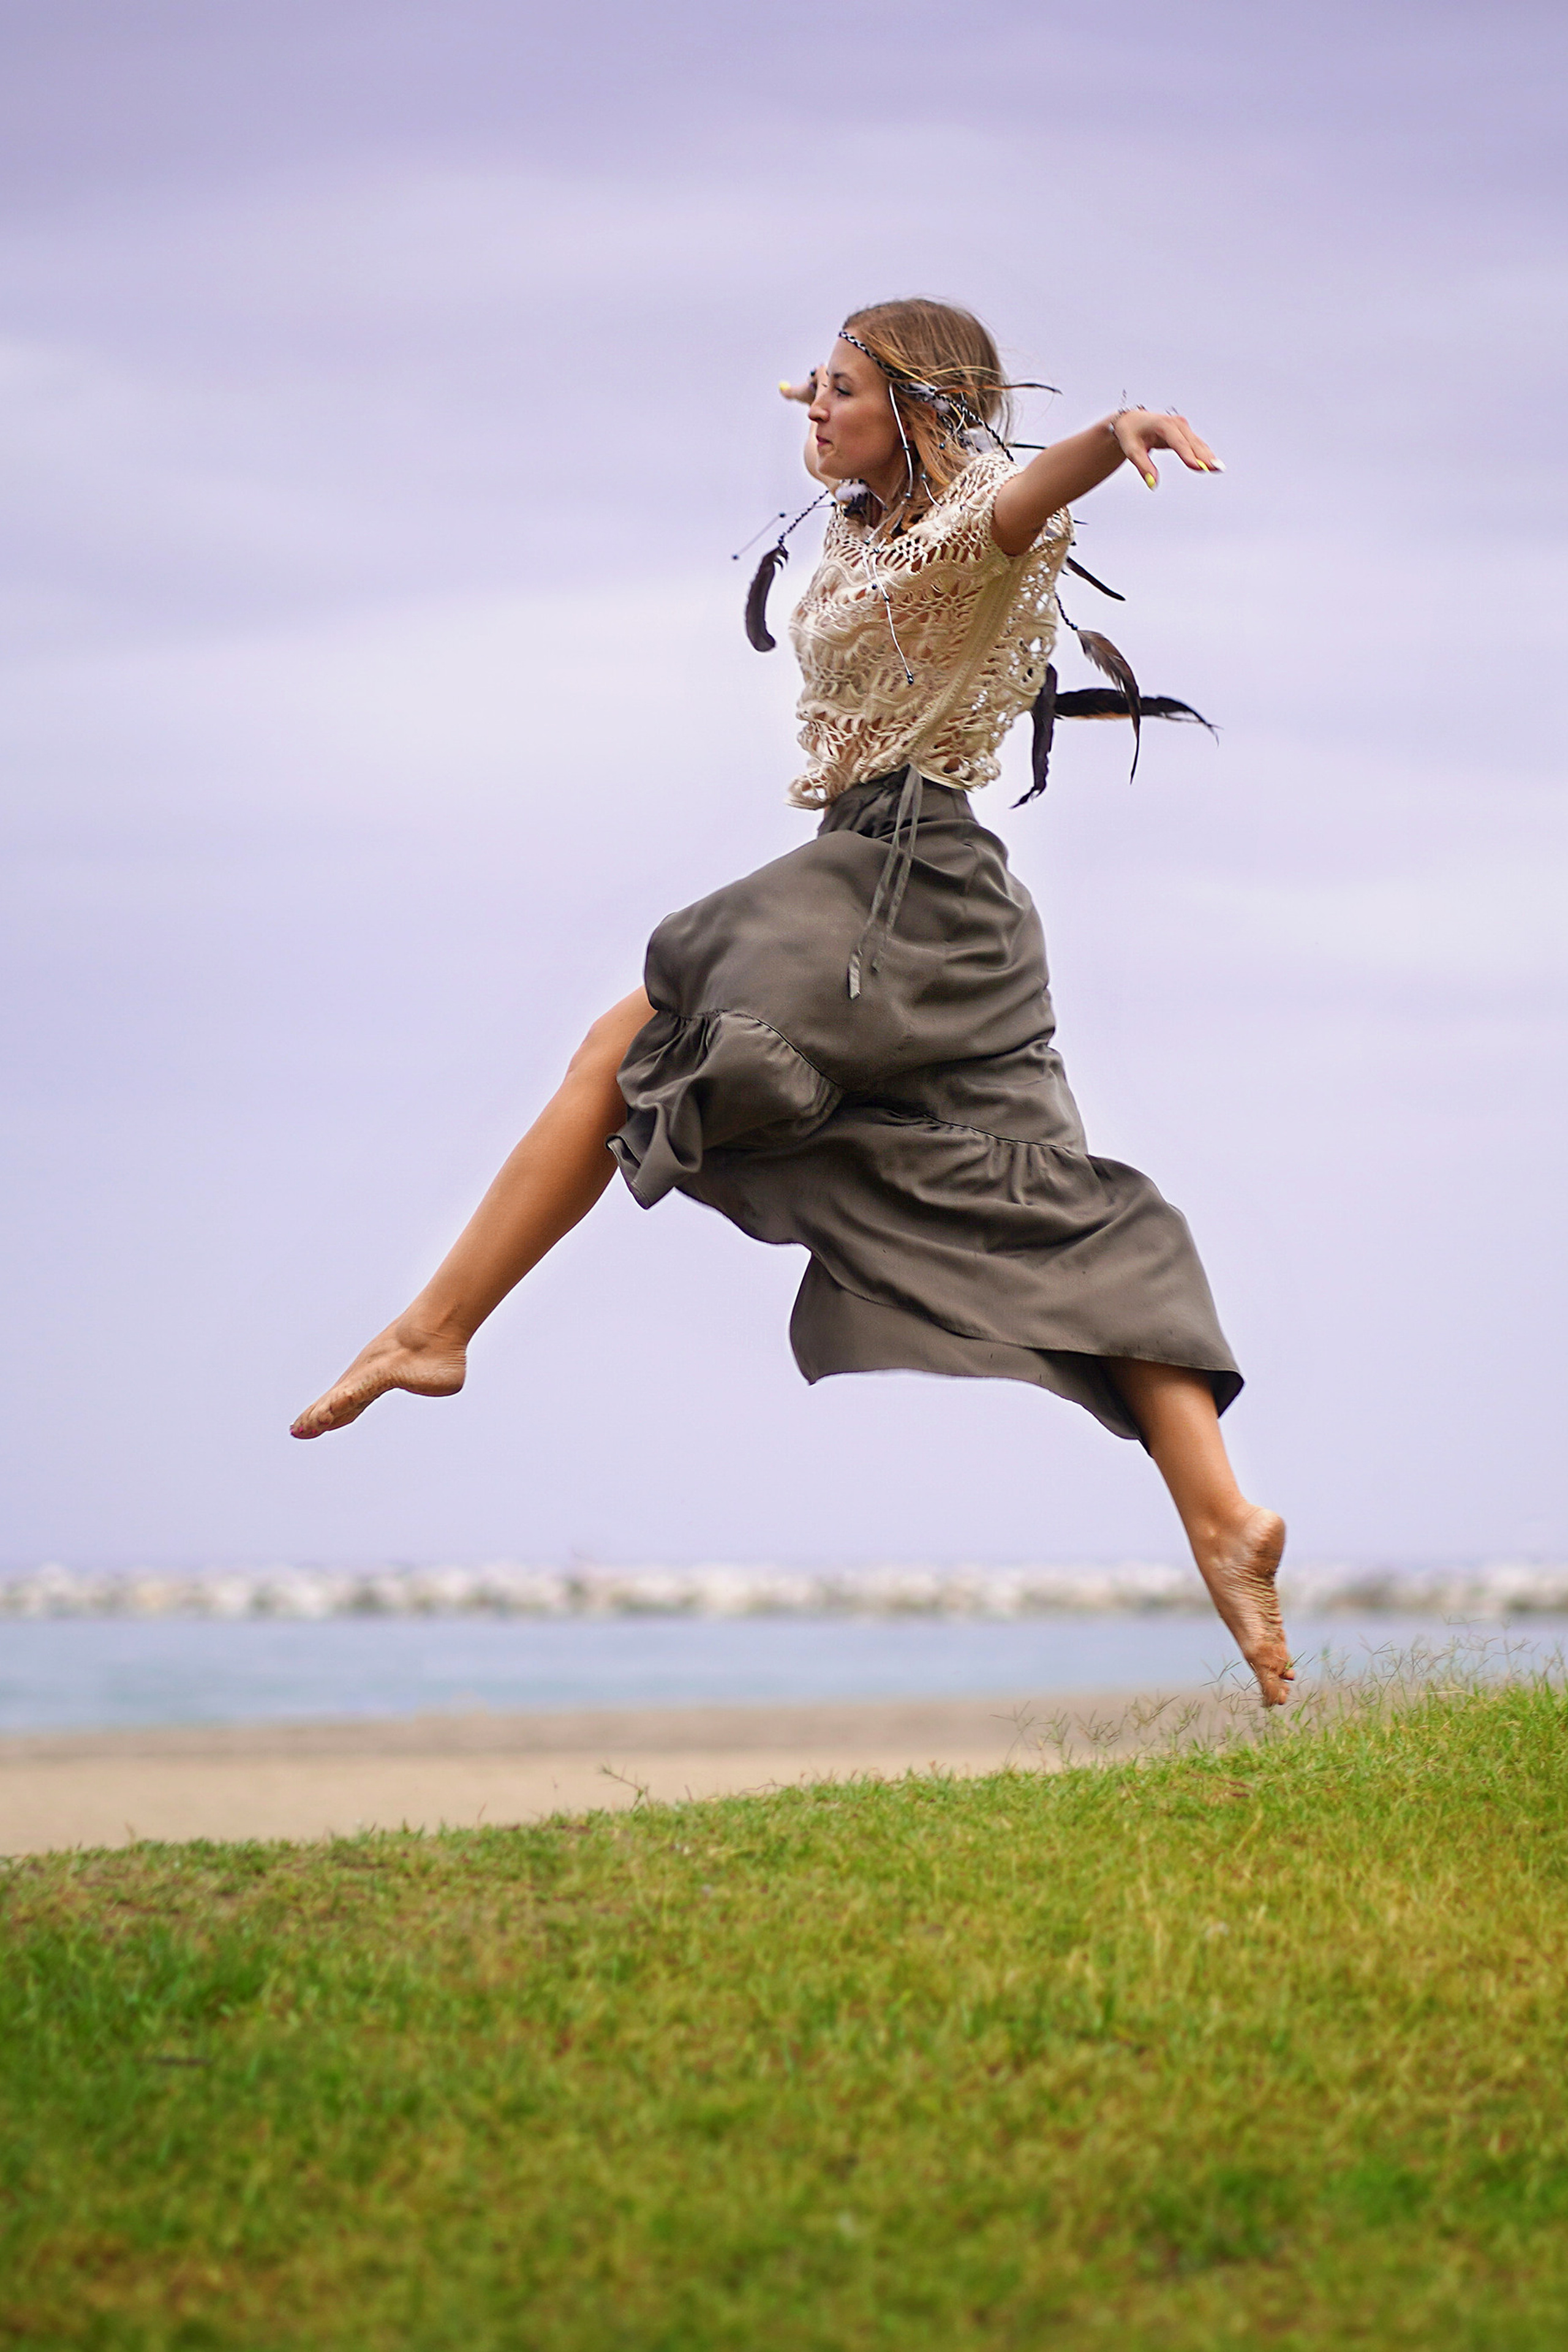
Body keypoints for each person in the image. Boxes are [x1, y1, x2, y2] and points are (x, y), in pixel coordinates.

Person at [291, 297, 1294, 1708]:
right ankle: (1222, 1522)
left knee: (634, 1029)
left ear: (918, 412)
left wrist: (1110, 433)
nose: (806, 410)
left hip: (899, 884)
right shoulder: (854, 534)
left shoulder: (965, 534)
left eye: (835, 390)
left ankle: (435, 1329)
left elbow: (1017, 499)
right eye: (804, 388)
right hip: (918, 910)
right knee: (1048, 1201)